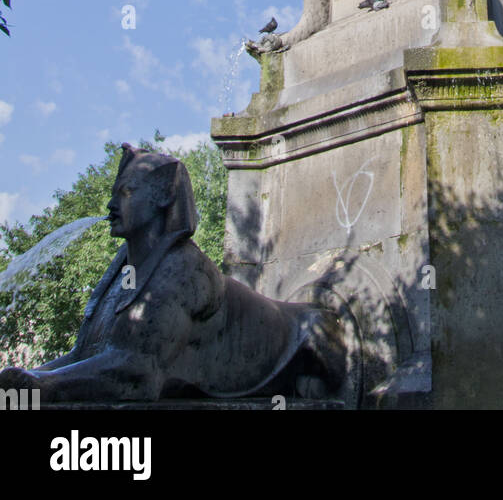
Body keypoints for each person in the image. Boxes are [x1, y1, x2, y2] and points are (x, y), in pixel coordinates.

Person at [0, 144, 345, 402]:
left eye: (127, 192)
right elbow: (84, 356)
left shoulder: (184, 271)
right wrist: (26, 381)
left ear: (164, 194)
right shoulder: (125, 267)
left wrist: (41, 388)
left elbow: (138, 374)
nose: (111, 206)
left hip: (301, 339)